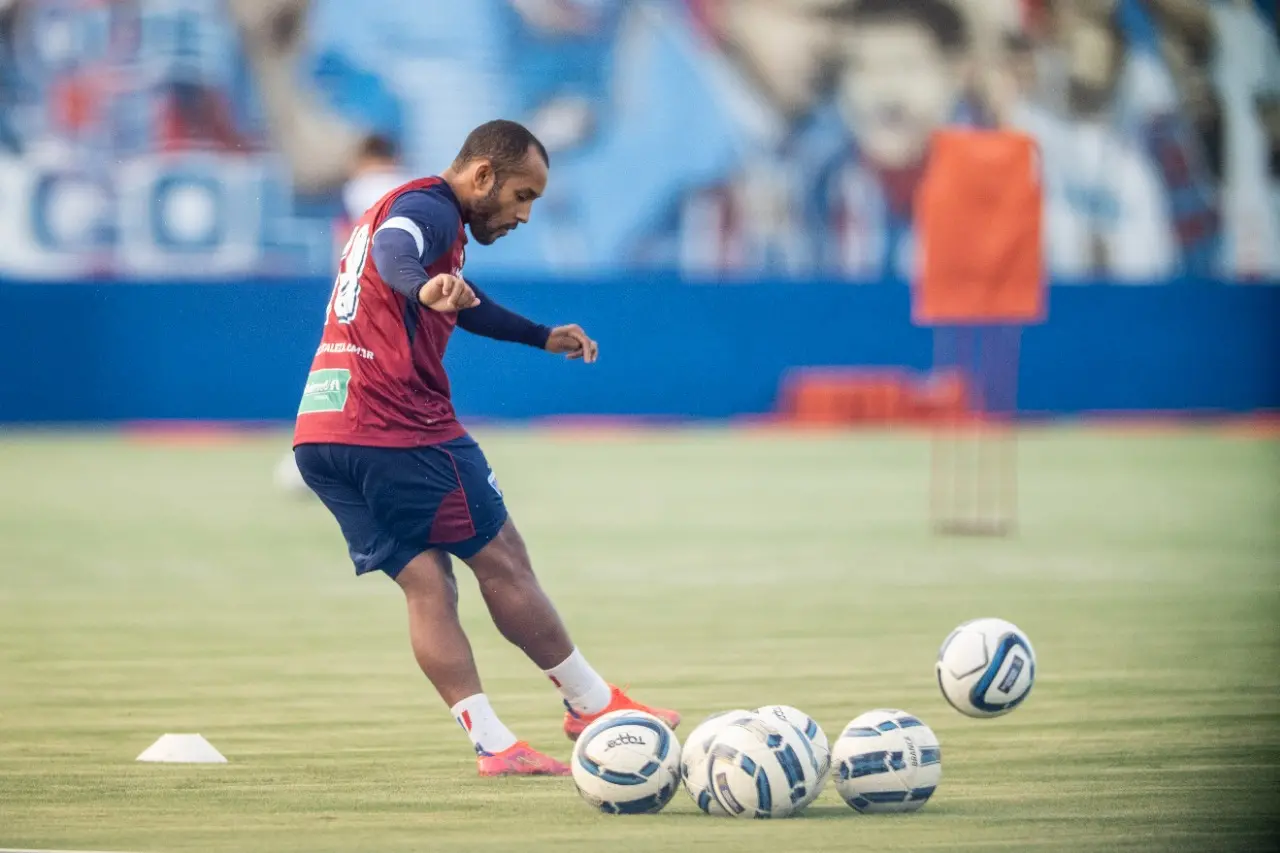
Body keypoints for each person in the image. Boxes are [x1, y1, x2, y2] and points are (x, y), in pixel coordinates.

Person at [291, 119, 679, 777]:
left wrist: (539, 334)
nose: (525, 213)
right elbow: (396, 251)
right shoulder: (426, 208)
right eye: (523, 195)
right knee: (502, 558)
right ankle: (592, 704)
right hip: (397, 427)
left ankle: (495, 744)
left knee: (426, 585)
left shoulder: (425, 220)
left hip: (323, 433)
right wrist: (421, 286)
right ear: (481, 177)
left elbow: (458, 302)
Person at [275, 134, 414, 495]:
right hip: (409, 306)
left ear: (364, 157)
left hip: (364, 302)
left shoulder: (361, 188)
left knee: (341, 378)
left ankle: (317, 462)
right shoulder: (416, 188)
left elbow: (347, 243)